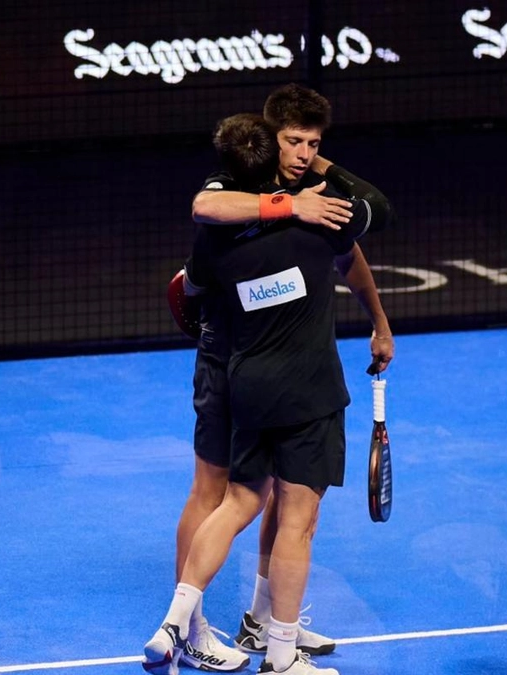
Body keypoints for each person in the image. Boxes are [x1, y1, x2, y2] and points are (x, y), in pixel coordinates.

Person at [146, 104, 388, 675]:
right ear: (269, 143)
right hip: (240, 370)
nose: (304, 153)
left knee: (256, 497)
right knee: (217, 491)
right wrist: (291, 205)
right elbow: (205, 213)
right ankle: (203, 632)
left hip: (250, 375)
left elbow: (195, 287)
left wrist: (379, 318)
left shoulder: (245, 231)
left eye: (313, 143)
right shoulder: (255, 206)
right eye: (294, 142)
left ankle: (252, 618)